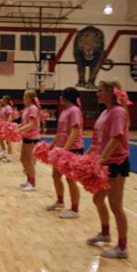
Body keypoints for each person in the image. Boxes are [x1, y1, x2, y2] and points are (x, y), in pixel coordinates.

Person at [87, 78, 131, 259]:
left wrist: (102, 160)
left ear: (110, 92)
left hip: (115, 163)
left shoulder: (118, 112)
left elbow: (115, 138)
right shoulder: (106, 112)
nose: (97, 93)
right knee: (98, 199)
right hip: (103, 162)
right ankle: (105, 234)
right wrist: (89, 155)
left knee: (115, 205)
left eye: (100, 90)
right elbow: (99, 139)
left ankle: (122, 247)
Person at [46, 87, 84, 218]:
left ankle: (75, 210)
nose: (60, 98)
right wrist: (53, 143)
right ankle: (60, 201)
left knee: (70, 179)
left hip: (72, 149)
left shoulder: (74, 110)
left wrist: (66, 149)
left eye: (62, 95)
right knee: (56, 175)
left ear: (67, 97)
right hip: (61, 148)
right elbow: (61, 131)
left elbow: (75, 131)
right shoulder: (64, 111)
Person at [17, 89, 41, 191]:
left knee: (29, 160)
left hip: (32, 137)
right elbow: (24, 123)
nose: (23, 98)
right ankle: (28, 180)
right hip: (26, 136)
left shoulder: (33, 108)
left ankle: (33, 184)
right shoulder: (27, 108)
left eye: (25, 96)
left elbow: (31, 124)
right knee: (23, 159)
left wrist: (18, 130)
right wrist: (14, 127)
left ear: (30, 98)